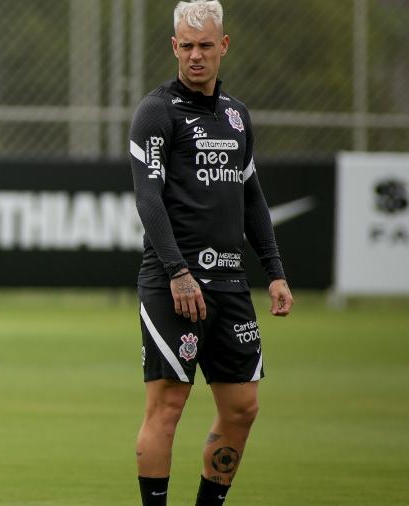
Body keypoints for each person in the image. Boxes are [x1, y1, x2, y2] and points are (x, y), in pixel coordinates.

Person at [128, 1, 293, 505]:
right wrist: (177, 271)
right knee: (168, 406)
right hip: (172, 282)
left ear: (223, 46)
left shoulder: (237, 117)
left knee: (242, 407)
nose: (195, 56)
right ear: (173, 47)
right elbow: (148, 197)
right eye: (186, 46)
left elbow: (252, 200)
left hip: (230, 284)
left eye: (205, 45)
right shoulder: (157, 111)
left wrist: (276, 272)